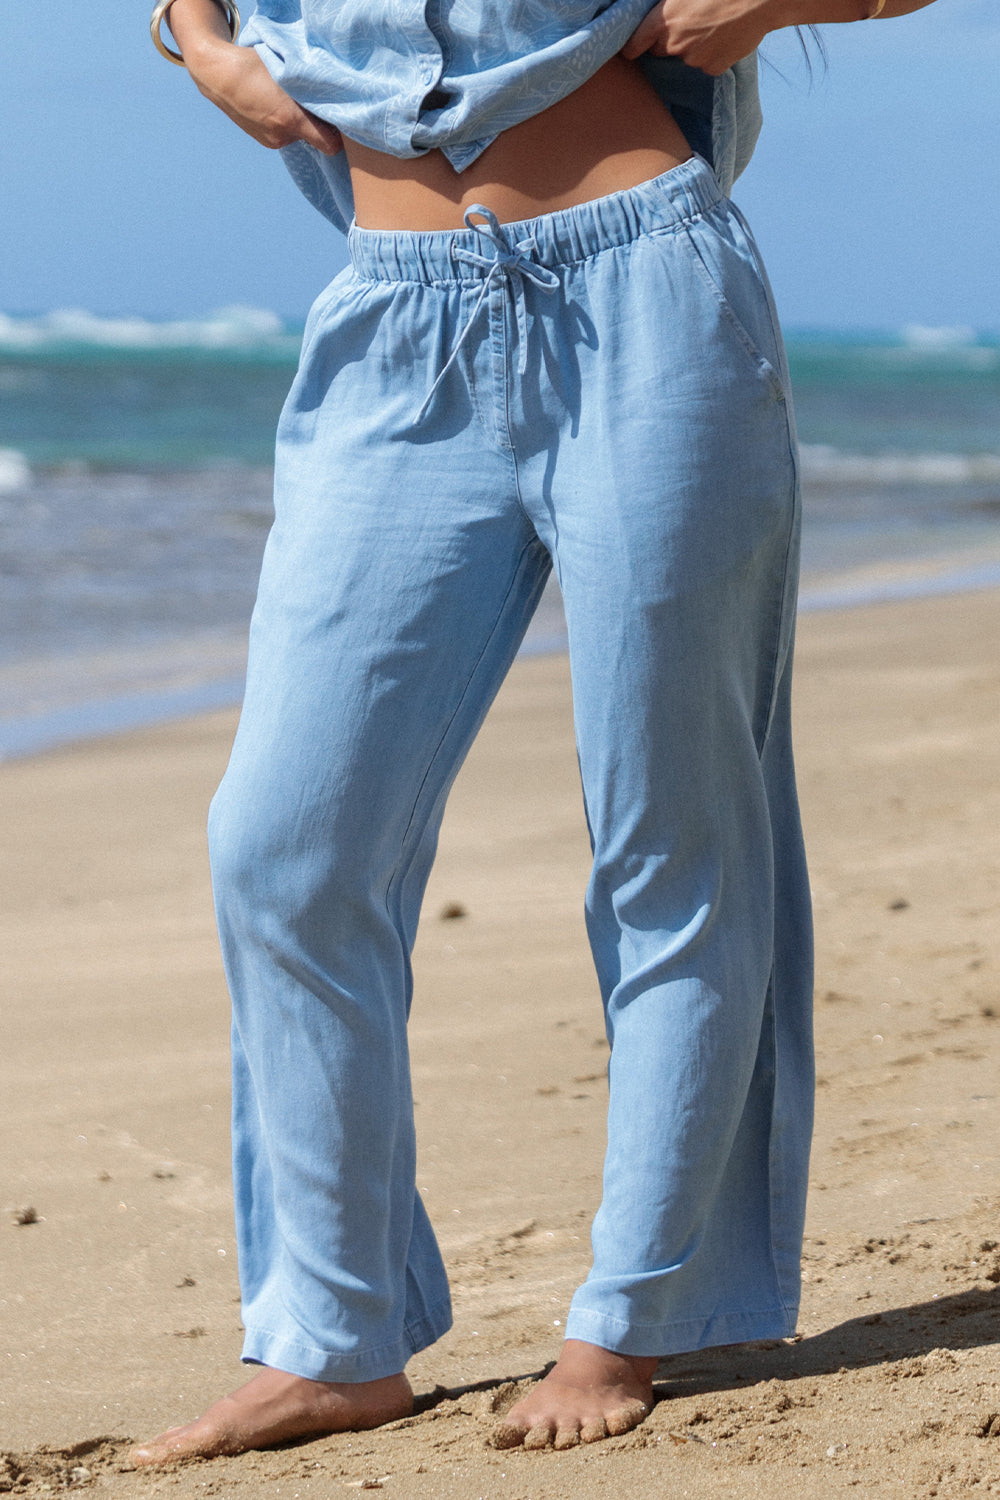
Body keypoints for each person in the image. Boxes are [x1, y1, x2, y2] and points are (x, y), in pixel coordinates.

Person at [131, 0, 936, 1465]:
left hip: (649, 293)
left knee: (673, 832)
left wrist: (761, 4)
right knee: (282, 846)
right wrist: (202, 45)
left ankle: (636, 1313)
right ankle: (332, 1336)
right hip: (393, 316)